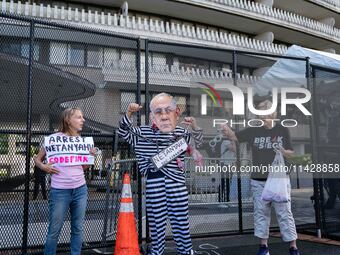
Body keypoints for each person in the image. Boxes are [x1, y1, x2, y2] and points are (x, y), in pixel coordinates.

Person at [118, 93, 203, 255]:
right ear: (151, 116)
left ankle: (186, 251)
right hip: (154, 182)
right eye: (158, 112)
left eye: (168, 110)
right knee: (157, 223)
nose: (164, 116)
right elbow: (123, 132)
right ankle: (156, 252)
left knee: (181, 221)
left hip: (176, 183)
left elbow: (198, 142)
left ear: (175, 113)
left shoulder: (181, 132)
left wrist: (195, 126)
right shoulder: (142, 133)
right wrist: (129, 112)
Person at [221, 100, 300, 255]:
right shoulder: (253, 130)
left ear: (272, 113)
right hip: (258, 180)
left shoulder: (282, 129)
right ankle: (263, 247)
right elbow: (234, 136)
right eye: (260, 111)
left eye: (265, 110)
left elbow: (292, 153)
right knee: (261, 213)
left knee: (284, 213)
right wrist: (226, 128)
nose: (262, 114)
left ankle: (293, 247)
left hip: (279, 181)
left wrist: (283, 151)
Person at [34, 107, 96, 255]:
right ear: (68, 120)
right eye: (79, 117)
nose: (83, 120)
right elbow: (37, 159)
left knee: (78, 228)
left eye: (83, 117)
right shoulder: (54, 139)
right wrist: (45, 167)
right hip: (60, 191)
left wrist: (90, 156)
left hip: (80, 190)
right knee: (54, 230)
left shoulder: (82, 141)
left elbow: (83, 167)